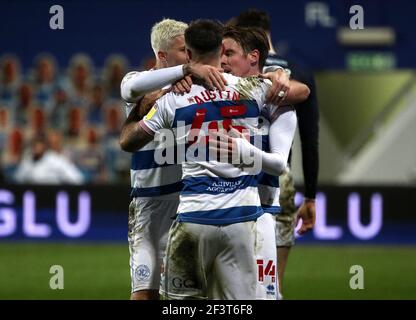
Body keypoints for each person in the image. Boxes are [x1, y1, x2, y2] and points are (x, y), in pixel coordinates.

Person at [129, 19, 308, 300]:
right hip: (218, 212)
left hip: (245, 213)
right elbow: (129, 97)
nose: (223, 61)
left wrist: (277, 76)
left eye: (230, 54)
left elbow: (301, 96)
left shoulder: (257, 92)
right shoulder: (250, 93)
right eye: (222, 53)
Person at [119, 18, 226, 300]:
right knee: (144, 292)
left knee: (194, 295)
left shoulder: (197, 84)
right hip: (149, 206)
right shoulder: (137, 81)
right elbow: (130, 91)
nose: (190, 54)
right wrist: (179, 76)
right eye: (183, 50)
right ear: (162, 55)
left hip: (190, 202)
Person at [232, 9, 319, 297]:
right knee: (272, 285)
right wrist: (310, 197)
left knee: (236, 280)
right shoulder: (299, 72)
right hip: (280, 178)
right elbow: (309, 139)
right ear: (269, 32)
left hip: (235, 180)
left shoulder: (231, 72)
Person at [14, 134, 84, 185]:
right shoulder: (27, 160)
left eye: (39, 144)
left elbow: (77, 178)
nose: (36, 147)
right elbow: (18, 179)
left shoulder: (56, 160)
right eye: (34, 144)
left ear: (45, 146)